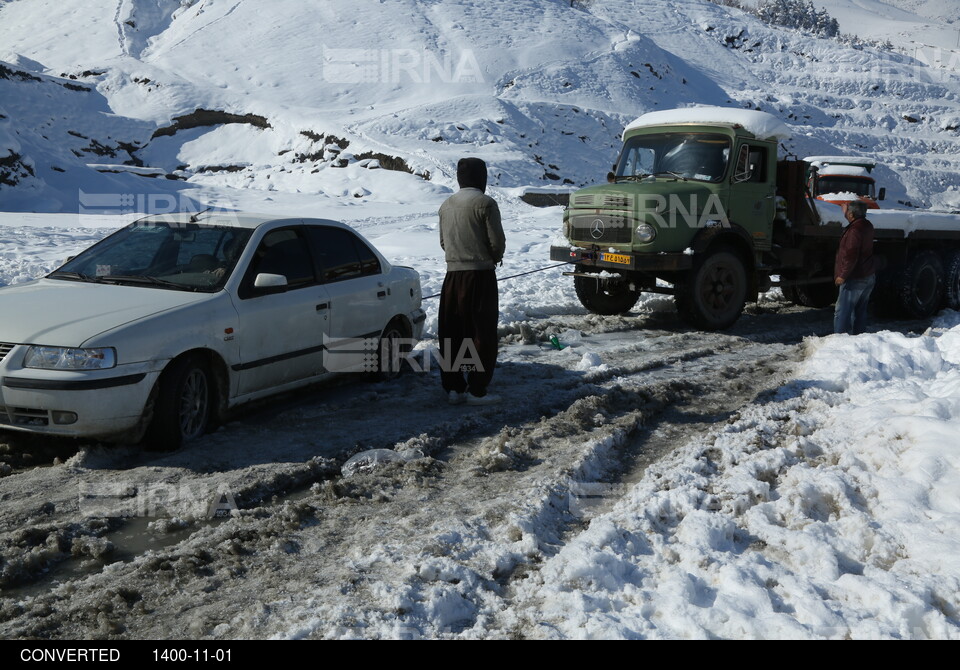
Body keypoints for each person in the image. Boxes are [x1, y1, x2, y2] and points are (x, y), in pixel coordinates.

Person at [438, 157, 506, 405]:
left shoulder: (446, 205)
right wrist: (494, 258)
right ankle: (477, 390)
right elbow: (496, 242)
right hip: (480, 276)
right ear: (481, 177)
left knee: (452, 333)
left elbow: (443, 242)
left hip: (452, 277)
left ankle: (454, 388)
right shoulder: (486, 203)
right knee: (481, 332)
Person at [834, 199, 876, 335]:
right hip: (867, 275)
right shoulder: (867, 225)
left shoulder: (854, 230)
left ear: (852, 214)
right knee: (860, 311)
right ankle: (858, 339)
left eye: (848, 212)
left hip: (855, 277)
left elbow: (850, 255)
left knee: (842, 312)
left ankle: (840, 341)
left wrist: (842, 275)